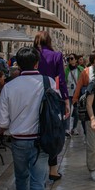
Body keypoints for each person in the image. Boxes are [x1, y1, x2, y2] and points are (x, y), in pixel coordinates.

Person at [0, 46, 52, 190]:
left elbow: (1, 122)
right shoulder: (48, 82)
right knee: (38, 184)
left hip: (18, 140)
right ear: (37, 63)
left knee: (21, 178)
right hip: (41, 141)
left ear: (17, 64)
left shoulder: (10, 86)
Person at [34, 31, 70, 182]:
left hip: (32, 94)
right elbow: (60, 79)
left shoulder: (32, 54)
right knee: (52, 129)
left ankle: (36, 166)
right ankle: (53, 170)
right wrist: (66, 99)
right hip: (50, 95)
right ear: (49, 40)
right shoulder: (56, 55)